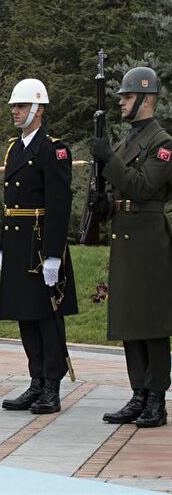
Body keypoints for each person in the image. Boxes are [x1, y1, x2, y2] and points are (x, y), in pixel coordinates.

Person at [90, 66, 171, 428]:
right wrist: (104, 207)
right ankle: (138, 393)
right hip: (126, 236)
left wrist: (109, 159)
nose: (120, 101)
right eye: (120, 96)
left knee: (151, 322)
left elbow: (142, 188)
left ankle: (156, 398)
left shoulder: (163, 143)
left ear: (146, 98)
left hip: (149, 241)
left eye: (126, 96)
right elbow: (124, 194)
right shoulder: (128, 141)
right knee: (129, 320)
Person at [0, 78, 77, 415]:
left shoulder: (53, 149)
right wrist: (2, 244)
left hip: (41, 244)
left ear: (38, 108)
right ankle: (35, 380)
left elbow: (59, 205)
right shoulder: (14, 149)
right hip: (18, 241)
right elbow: (7, 201)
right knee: (25, 315)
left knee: (47, 315)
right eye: (14, 106)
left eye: (21, 106)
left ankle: (52, 385)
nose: (15, 112)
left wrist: (55, 256)